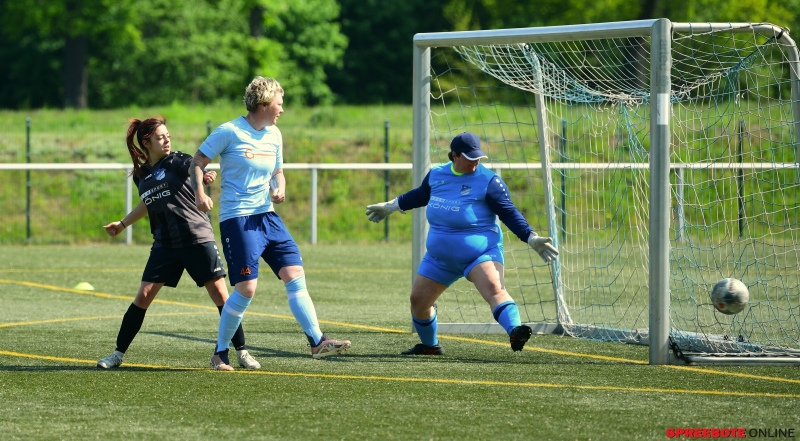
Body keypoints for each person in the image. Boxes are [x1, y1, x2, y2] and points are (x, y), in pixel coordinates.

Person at [190, 76, 351, 370]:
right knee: (247, 289)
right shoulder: (229, 131)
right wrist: (200, 193)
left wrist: (281, 187)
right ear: (264, 104)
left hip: (268, 216)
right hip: (238, 218)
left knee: (295, 273)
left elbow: (279, 171)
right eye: (280, 103)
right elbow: (196, 163)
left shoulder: (275, 134)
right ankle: (220, 353)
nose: (282, 109)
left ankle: (317, 342)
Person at [365, 131, 558, 355]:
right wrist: (391, 206)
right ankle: (430, 346)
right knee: (418, 301)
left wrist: (531, 237)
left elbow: (509, 213)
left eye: (478, 157)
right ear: (454, 156)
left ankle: (516, 330)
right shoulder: (437, 175)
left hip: (480, 255)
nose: (475, 161)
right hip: (439, 259)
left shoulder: (489, 181)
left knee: (495, 289)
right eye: (469, 157)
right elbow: (420, 195)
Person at [97, 116, 261, 370]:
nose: (166, 140)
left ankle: (241, 351)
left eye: (167, 135)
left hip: (196, 237)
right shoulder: (142, 176)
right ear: (146, 142)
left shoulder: (177, 160)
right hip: (165, 243)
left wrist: (203, 176)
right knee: (143, 295)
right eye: (160, 137)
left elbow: (193, 167)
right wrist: (123, 223)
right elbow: (146, 202)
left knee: (220, 294)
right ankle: (117, 354)